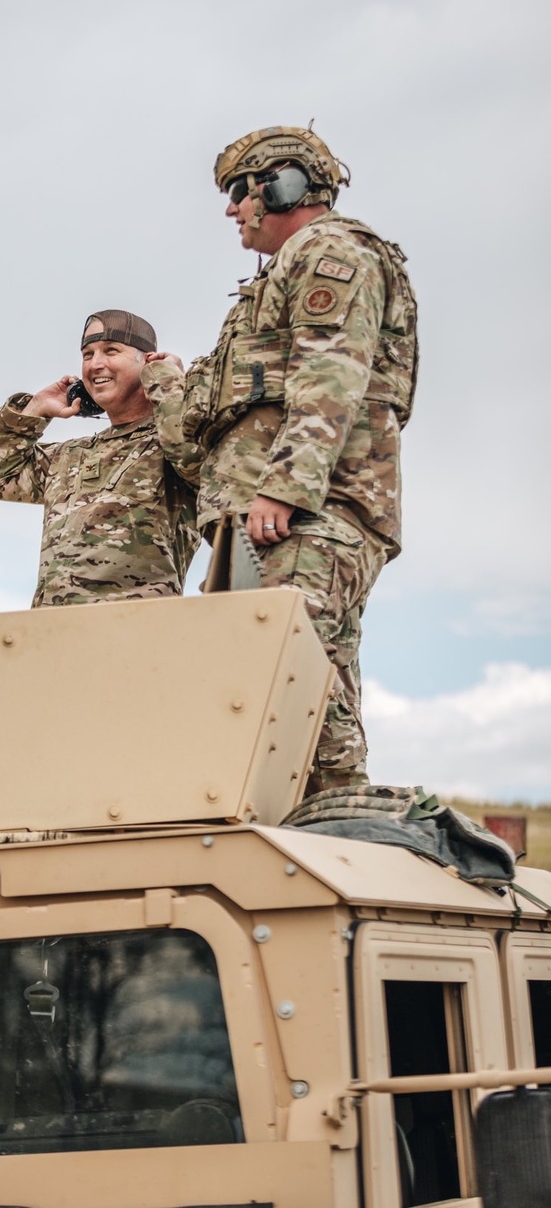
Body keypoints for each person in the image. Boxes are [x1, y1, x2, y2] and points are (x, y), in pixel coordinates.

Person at [173, 126, 418, 793]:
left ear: (279, 185)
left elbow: (329, 374)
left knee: (295, 678)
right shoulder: (282, 272)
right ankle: (328, 825)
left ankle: (342, 827)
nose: (231, 211)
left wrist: (287, 487)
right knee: (287, 688)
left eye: (237, 192)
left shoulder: (329, 251)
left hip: (306, 513)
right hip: (270, 519)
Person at [0, 309, 200, 606]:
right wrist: (36, 408)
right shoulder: (70, 455)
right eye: (87, 354)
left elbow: (192, 457)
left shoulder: (168, 444)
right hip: (56, 633)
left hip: (139, 630)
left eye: (111, 350)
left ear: (148, 361)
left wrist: (166, 379)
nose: (95, 364)